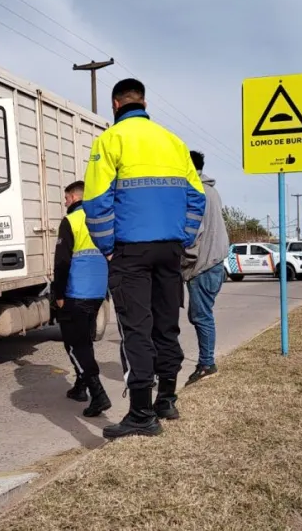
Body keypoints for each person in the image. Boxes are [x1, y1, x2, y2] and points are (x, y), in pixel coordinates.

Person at [83, 78, 206, 439]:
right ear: (144, 102)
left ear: (116, 105)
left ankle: (140, 414)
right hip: (169, 248)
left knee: (137, 329)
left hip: (130, 251)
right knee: (167, 324)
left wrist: (107, 245)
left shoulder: (109, 140)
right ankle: (166, 399)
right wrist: (182, 238)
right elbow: (196, 200)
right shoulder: (174, 142)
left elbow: (96, 202)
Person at [51, 181, 111, 418]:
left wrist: (59, 294)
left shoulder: (71, 221)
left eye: (66, 198)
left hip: (76, 291)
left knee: (74, 344)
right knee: (85, 340)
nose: (64, 203)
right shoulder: (100, 219)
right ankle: (80, 387)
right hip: (97, 291)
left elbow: (62, 262)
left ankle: (98, 394)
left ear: (75, 197)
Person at [181, 151, 230, 385]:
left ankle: (207, 364)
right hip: (214, 262)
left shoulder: (194, 191)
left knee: (201, 316)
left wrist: (183, 262)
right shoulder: (212, 191)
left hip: (203, 265)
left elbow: (193, 235)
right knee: (200, 315)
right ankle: (206, 361)